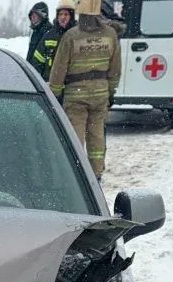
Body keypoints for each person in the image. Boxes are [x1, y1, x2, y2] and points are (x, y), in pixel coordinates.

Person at [47, 0, 124, 177]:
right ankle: (96, 174)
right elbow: (115, 69)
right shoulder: (110, 34)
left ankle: (77, 176)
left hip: (76, 97)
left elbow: (58, 69)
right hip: (100, 95)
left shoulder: (71, 36)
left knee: (75, 137)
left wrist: (56, 94)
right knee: (97, 136)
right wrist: (111, 92)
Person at [24, 1, 74, 80]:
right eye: (60, 14)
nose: (63, 17)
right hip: (46, 80)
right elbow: (37, 59)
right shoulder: (42, 33)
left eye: (66, 14)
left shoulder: (47, 31)